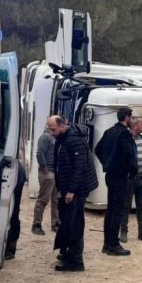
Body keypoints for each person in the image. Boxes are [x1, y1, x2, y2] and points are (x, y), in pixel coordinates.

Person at [49, 115, 97, 272]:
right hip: (69, 188)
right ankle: (68, 253)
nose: (51, 132)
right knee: (68, 221)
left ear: (63, 126)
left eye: (53, 129)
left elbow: (80, 167)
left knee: (75, 223)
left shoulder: (73, 140)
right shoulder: (65, 138)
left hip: (76, 190)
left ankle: (76, 261)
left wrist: (71, 190)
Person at [94, 107, 137, 256]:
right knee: (117, 210)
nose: (131, 120)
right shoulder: (124, 134)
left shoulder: (109, 132)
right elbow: (128, 155)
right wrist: (132, 171)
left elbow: (97, 149)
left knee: (111, 210)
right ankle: (113, 244)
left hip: (110, 175)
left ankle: (107, 244)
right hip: (120, 176)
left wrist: (106, 163)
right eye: (131, 118)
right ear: (127, 118)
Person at [120, 116, 142, 243]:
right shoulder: (127, 140)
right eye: (141, 123)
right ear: (135, 126)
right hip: (130, 179)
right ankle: (123, 232)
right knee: (126, 206)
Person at [31, 126, 60, 235]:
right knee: (43, 200)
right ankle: (36, 224)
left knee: (56, 200)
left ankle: (55, 223)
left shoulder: (54, 137)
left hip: (55, 173)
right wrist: (45, 170)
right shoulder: (45, 137)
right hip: (48, 172)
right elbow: (40, 153)